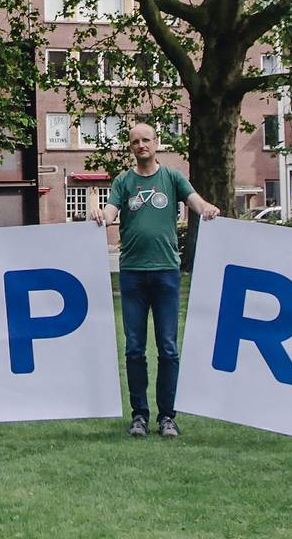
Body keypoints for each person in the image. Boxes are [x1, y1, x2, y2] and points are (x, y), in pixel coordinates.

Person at [95, 121, 221, 438]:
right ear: (130, 147)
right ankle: (139, 415)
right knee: (134, 349)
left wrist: (207, 208)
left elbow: (195, 201)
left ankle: (167, 417)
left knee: (168, 348)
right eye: (135, 141)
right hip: (133, 274)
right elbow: (110, 213)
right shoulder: (124, 181)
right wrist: (100, 215)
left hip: (166, 272)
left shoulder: (172, 177)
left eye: (146, 140)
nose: (141, 145)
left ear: (157, 143)